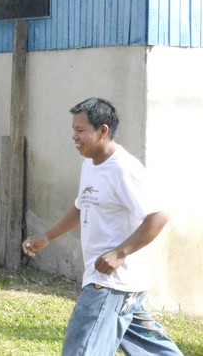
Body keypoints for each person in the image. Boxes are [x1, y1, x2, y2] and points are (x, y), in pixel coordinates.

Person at [22, 98, 183, 355]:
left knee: (81, 350)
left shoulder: (123, 169)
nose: (74, 136)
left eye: (80, 130)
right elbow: (81, 207)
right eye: (74, 130)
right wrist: (47, 237)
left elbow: (158, 216)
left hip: (110, 285)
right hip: (122, 289)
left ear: (103, 130)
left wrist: (120, 253)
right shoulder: (91, 162)